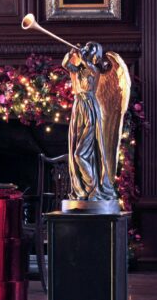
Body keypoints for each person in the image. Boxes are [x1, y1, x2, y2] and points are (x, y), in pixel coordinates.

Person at [62, 41, 114, 200]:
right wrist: (70, 54)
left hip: (90, 109)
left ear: (96, 57)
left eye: (90, 49)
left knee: (80, 154)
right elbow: (65, 65)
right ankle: (82, 189)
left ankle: (93, 188)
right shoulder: (79, 69)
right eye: (86, 48)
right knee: (76, 149)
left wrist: (82, 55)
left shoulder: (95, 69)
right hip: (78, 107)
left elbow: (88, 64)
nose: (85, 50)